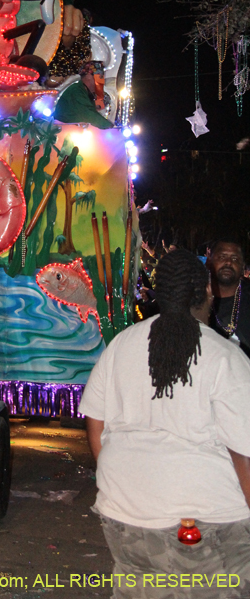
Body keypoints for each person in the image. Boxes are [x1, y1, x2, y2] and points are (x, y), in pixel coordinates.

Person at [79, 249, 250, 599]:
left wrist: (124, 482)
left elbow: (95, 421)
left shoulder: (121, 345)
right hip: (204, 520)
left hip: (123, 513)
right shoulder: (224, 356)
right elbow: (244, 452)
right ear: (206, 291)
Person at [208, 240, 250, 358]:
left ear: (242, 267)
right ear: (209, 261)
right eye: (222, 257)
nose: (228, 262)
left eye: (235, 259)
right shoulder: (194, 300)